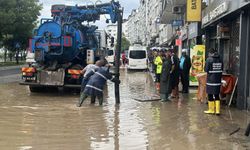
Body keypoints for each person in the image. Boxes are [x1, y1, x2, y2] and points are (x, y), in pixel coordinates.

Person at [204, 48, 223, 115]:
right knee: (217, 95)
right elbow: (222, 69)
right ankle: (217, 111)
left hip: (210, 80)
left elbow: (206, 69)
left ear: (210, 53)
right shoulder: (220, 59)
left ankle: (211, 110)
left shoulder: (209, 59)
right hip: (218, 80)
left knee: (210, 94)